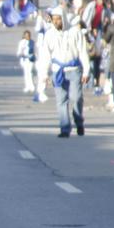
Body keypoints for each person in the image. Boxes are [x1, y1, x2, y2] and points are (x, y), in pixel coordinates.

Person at [40, 8, 89, 137]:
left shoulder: (75, 32)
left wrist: (86, 71)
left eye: (58, 19)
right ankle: (65, 128)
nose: (56, 22)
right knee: (61, 100)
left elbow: (83, 51)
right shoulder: (49, 35)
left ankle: (78, 120)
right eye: (54, 19)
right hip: (58, 71)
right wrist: (44, 74)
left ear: (64, 19)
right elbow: (45, 55)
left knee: (76, 97)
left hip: (74, 70)